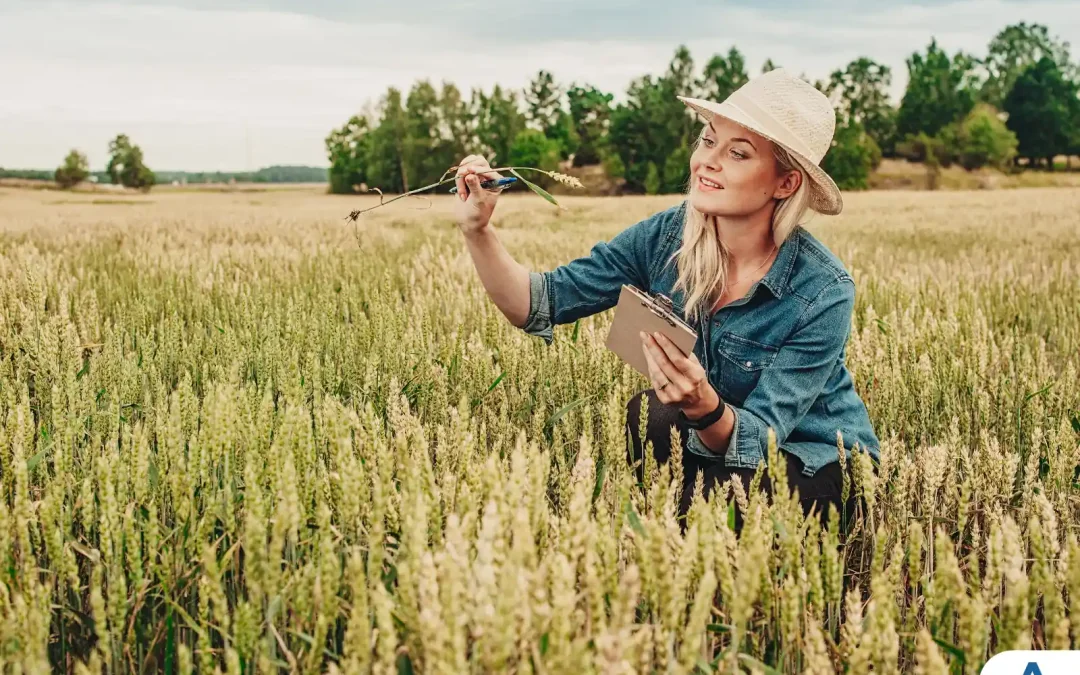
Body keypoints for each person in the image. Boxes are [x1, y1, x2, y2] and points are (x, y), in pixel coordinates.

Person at [452, 68, 879, 525]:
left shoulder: (822, 290)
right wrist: (478, 230)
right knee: (649, 416)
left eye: (737, 153)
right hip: (716, 437)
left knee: (712, 502)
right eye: (708, 140)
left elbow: (761, 441)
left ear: (785, 184)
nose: (707, 161)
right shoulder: (665, 236)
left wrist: (703, 404)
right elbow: (540, 302)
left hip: (815, 459)